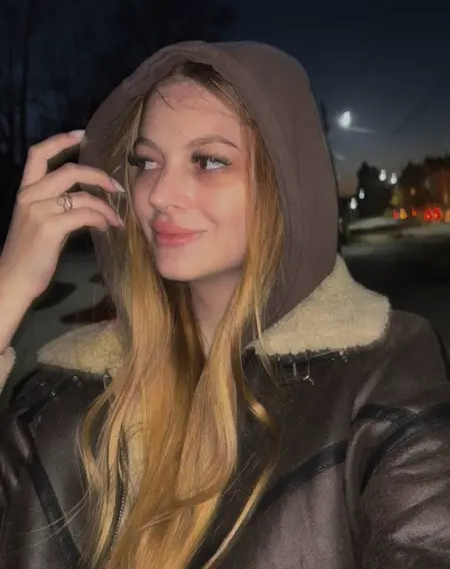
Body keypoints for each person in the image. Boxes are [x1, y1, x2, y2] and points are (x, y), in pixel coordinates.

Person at [0, 42, 450, 569]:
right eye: (146, 162)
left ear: (285, 183)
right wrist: (8, 289)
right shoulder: (62, 392)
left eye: (209, 160)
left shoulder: (385, 377)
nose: (159, 194)